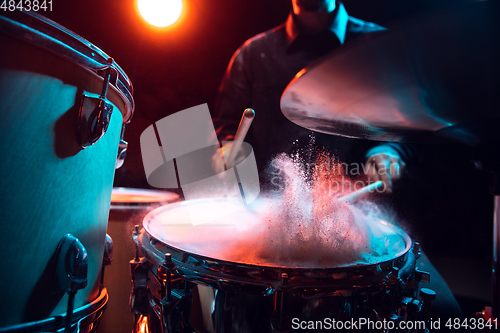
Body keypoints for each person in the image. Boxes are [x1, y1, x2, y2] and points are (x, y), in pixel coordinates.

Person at [211, 0, 465, 322]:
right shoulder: (251, 53)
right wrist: (228, 146)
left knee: (447, 318)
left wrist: (388, 151)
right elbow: (228, 123)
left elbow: (406, 124)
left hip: (363, 227)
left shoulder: (380, 46)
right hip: (267, 227)